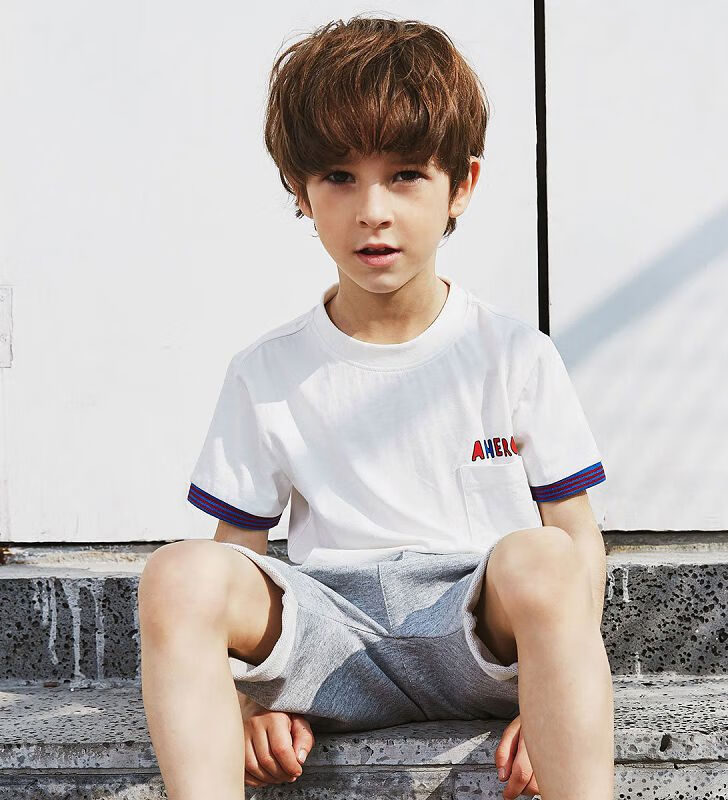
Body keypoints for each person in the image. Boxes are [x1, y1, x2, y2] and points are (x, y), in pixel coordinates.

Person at [137, 15, 614, 800]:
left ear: (462, 184)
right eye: (338, 177)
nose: (373, 210)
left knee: (546, 555)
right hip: (328, 634)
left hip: (475, 632)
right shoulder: (266, 372)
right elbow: (239, 555)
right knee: (179, 574)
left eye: (405, 175)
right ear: (299, 190)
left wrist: (558, 696)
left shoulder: (514, 354)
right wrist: (244, 700)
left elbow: (576, 537)